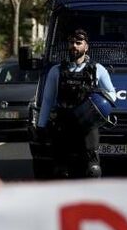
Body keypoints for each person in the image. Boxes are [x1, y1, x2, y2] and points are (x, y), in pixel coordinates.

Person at [37, 28, 116, 178]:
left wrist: (98, 104)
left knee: (93, 171)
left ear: (86, 46)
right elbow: (47, 100)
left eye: (78, 43)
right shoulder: (57, 70)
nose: (74, 46)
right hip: (64, 125)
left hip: (88, 126)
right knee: (61, 172)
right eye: (71, 42)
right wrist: (41, 126)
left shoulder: (97, 69)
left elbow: (112, 94)